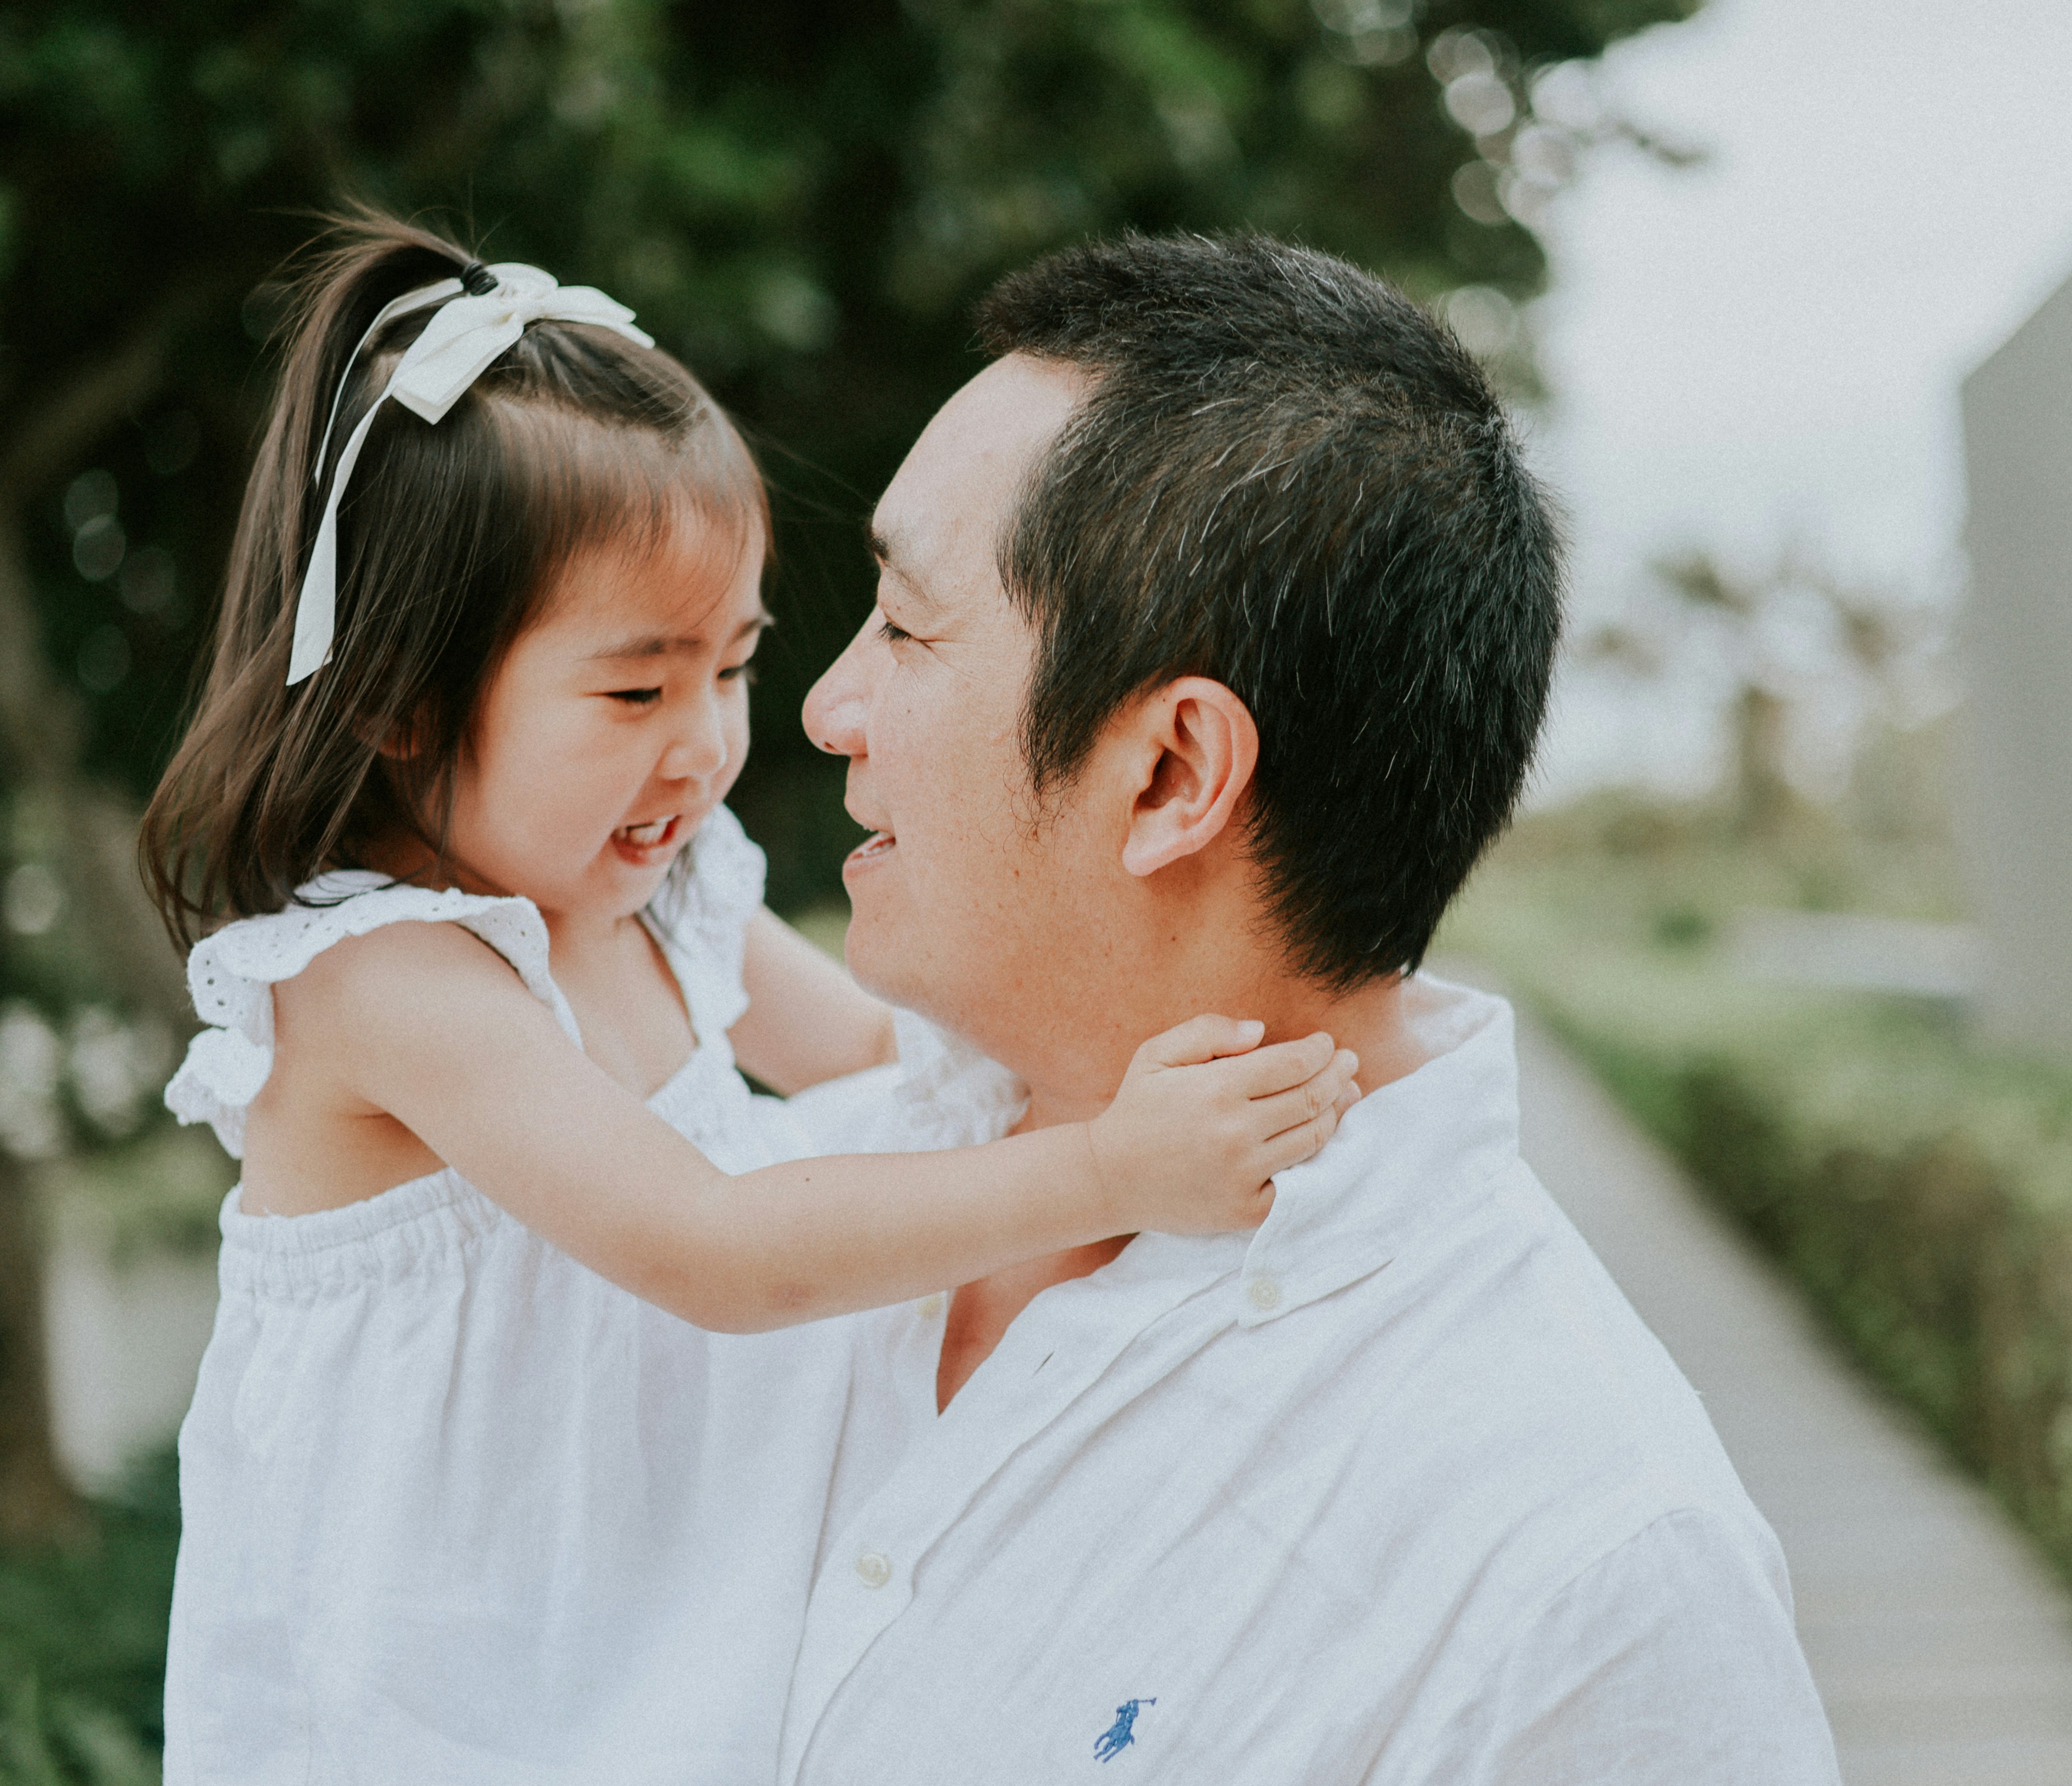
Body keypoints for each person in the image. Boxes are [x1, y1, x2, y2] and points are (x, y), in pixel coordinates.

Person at [136, 213, 1360, 1785]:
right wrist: (1113, 1164)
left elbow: (893, 1065)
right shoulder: (387, 981)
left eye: (733, 668)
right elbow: (710, 1248)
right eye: (636, 687)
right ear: (397, 697)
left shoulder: (672, 889)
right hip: (436, 1688)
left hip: (642, 1617)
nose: (704, 745)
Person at [781, 234, 1842, 1782]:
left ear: (1168, 773)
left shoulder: (1579, 1573)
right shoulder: (764, 1180)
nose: (826, 706)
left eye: (906, 625)